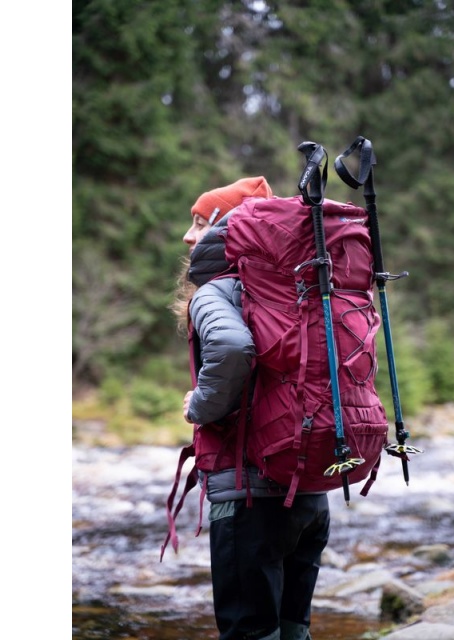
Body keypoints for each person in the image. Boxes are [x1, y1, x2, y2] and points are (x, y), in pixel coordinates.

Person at [172, 176, 331, 640]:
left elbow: (231, 347)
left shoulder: (218, 292)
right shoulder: (301, 290)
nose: (188, 235)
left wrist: (199, 406)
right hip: (308, 490)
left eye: (200, 223)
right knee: (292, 629)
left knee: (249, 633)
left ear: (230, 229)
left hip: (249, 495)